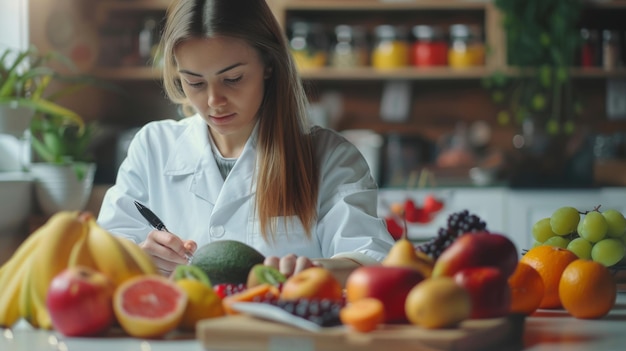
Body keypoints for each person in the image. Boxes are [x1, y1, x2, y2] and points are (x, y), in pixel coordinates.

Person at [97, 0, 394, 281]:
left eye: (233, 79)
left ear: (268, 65)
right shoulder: (153, 147)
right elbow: (102, 253)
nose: (214, 101)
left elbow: (374, 259)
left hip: (280, 333)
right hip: (179, 331)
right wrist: (140, 256)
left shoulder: (330, 157)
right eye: (195, 82)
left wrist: (314, 269)